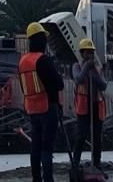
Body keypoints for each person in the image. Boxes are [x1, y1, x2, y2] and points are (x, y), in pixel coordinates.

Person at [18, 22, 64, 182]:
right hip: (47, 107)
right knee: (46, 147)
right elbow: (58, 84)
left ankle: (36, 178)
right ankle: (48, 179)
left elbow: (24, 87)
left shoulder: (23, 61)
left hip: (32, 109)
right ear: (41, 40)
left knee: (35, 147)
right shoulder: (43, 60)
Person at [71, 37, 107, 169]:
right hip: (83, 107)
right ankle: (75, 164)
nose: (90, 55)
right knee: (81, 136)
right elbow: (79, 79)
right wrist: (86, 67)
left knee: (97, 138)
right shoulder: (76, 66)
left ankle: (96, 164)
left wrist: (94, 74)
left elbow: (103, 86)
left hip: (97, 106)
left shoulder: (98, 68)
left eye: (91, 52)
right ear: (82, 54)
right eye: (87, 52)